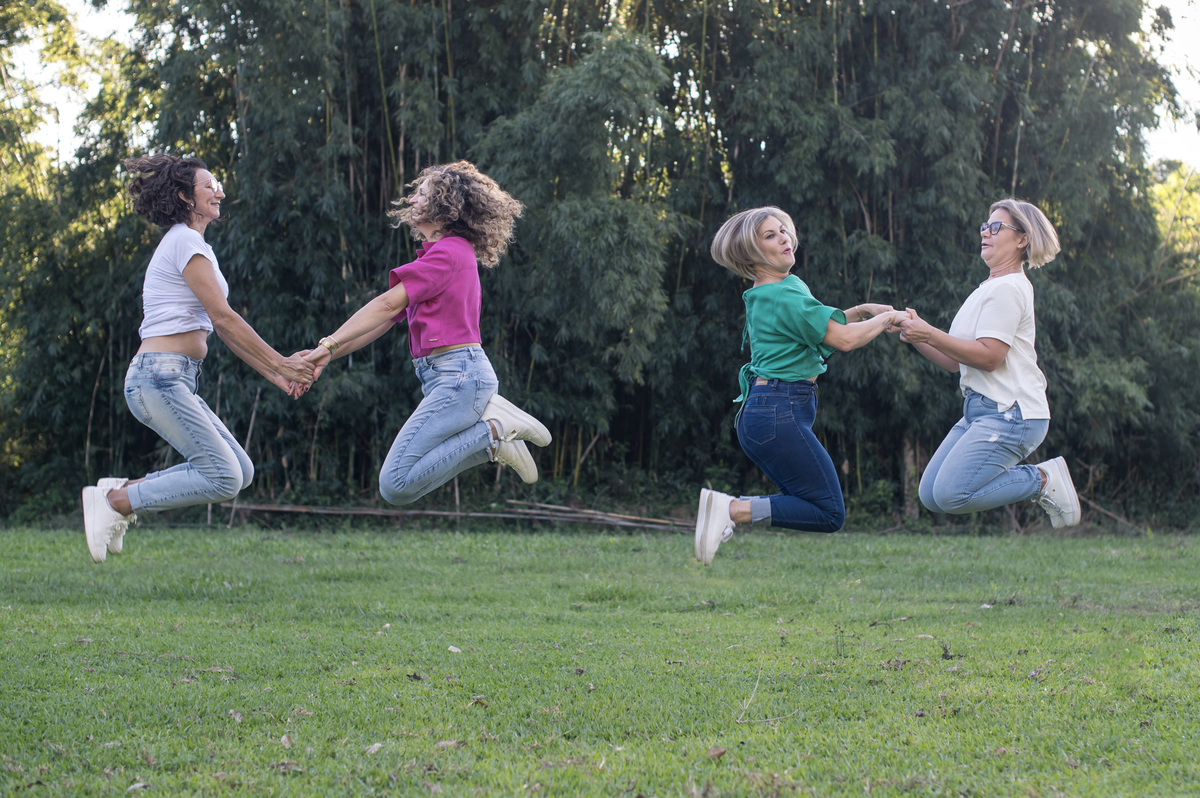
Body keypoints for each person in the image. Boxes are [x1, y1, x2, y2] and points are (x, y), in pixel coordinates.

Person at [80, 154, 316, 563]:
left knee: (240, 472)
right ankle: (117, 502)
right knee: (223, 476)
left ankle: (116, 494)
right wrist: (280, 363)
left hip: (176, 378)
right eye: (209, 186)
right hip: (158, 378)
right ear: (183, 196)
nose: (219, 191)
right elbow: (225, 319)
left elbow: (220, 326)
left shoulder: (191, 243)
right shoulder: (184, 241)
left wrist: (276, 375)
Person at [301, 161, 550, 505]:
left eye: (421, 193)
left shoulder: (448, 253)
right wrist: (329, 354)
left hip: (458, 377)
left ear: (444, 206)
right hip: (453, 377)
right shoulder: (443, 255)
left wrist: (328, 342)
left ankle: (493, 431)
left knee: (396, 483)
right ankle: (493, 441)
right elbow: (386, 321)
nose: (412, 199)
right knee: (400, 485)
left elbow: (387, 305)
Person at [694, 207, 908, 565]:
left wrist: (860, 311)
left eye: (783, 231)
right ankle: (732, 509)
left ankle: (732, 510)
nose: (784, 238)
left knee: (818, 504)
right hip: (780, 410)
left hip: (766, 412)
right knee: (829, 511)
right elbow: (842, 340)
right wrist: (890, 317)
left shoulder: (767, 293)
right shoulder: (785, 293)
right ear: (752, 253)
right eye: (770, 236)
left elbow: (813, 331)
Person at [896, 198, 1080, 528]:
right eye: (985, 226)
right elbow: (956, 362)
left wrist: (929, 332)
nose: (986, 232)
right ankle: (1037, 480)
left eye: (997, 227)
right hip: (981, 410)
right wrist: (916, 334)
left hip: (1011, 413)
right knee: (931, 494)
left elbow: (990, 357)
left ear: (1022, 239)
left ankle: (1040, 479)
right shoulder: (989, 288)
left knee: (951, 494)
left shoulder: (1010, 288)